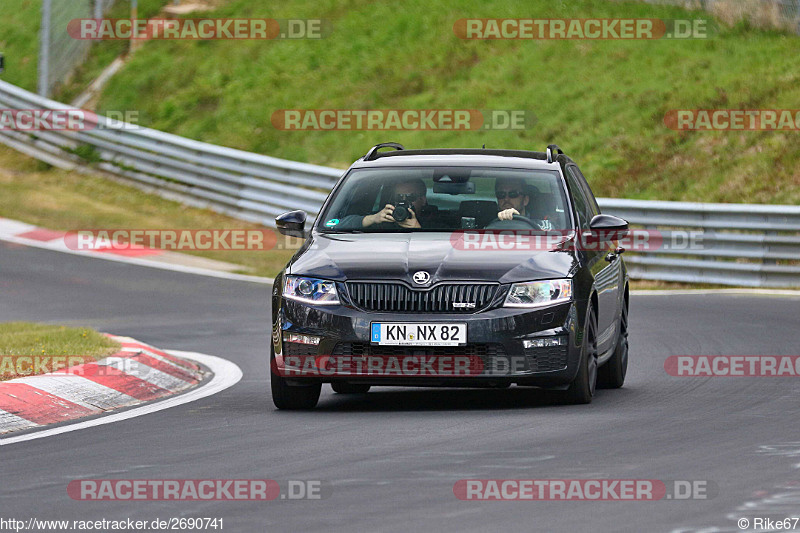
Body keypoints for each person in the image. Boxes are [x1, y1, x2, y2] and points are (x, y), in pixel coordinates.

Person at [361, 178, 428, 229]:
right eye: (399, 197)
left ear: (422, 200)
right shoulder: (385, 218)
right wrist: (373, 218)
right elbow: (350, 222)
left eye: (410, 197)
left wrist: (418, 229)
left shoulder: (434, 222)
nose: (404, 201)